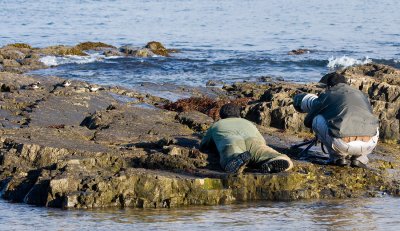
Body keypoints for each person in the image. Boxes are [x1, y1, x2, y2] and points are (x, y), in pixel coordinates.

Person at [293, 73, 379, 167]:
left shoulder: (328, 94)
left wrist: (324, 113)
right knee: (370, 122)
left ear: (329, 86)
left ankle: (337, 158)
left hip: (343, 145)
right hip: (370, 143)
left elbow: (308, 121)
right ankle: (360, 159)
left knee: (316, 119)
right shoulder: (361, 95)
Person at [199, 103, 293, 173]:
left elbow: (204, 145)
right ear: (239, 114)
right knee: (274, 155)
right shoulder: (248, 123)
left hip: (232, 140)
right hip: (254, 141)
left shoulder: (216, 125)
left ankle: (238, 159)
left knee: (232, 154)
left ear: (221, 116)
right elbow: (262, 141)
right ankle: (273, 161)